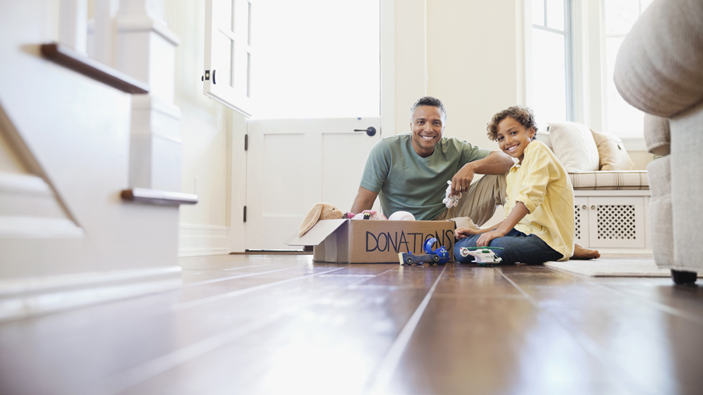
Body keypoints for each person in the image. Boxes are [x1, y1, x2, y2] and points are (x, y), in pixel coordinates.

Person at [454, 105, 600, 264]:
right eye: (501, 138)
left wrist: (499, 233)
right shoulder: (514, 171)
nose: (508, 141)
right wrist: (480, 231)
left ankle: (564, 249)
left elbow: (530, 197)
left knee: (497, 244)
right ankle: (488, 249)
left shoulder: (537, 149)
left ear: (531, 131)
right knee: (460, 249)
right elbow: (509, 219)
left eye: (513, 133)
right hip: (522, 233)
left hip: (546, 239)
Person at [350, 96, 514, 226]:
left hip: (445, 219)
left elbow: (507, 160)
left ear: (443, 127)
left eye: (436, 123)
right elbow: (364, 200)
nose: (428, 129)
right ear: (411, 125)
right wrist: (349, 241)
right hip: (401, 227)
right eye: (421, 122)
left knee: (500, 177)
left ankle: (520, 232)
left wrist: (472, 166)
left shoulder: (454, 148)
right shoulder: (386, 149)